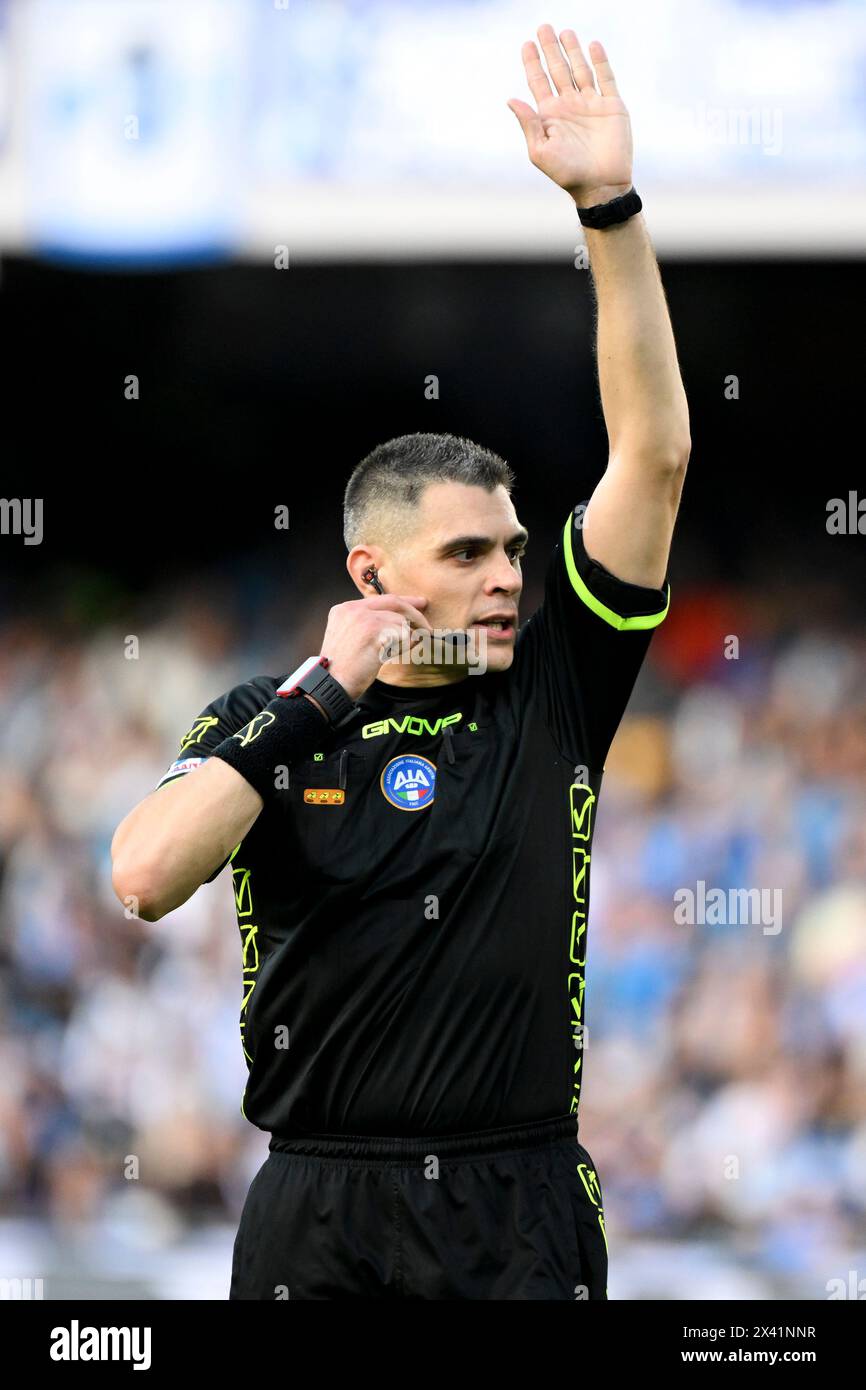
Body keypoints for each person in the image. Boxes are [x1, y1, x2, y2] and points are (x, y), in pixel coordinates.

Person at [111, 25, 690, 1300]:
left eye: (515, 550)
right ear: (373, 574)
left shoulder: (554, 686)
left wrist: (609, 207)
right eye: (470, 553)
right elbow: (144, 874)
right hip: (319, 1207)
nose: (507, 577)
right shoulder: (266, 718)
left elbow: (649, 456)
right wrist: (318, 698)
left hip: (516, 1200)